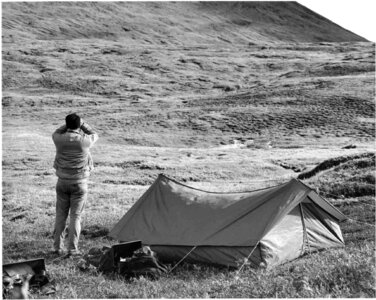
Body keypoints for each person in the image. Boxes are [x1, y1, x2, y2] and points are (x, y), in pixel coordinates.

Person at [52, 113, 98, 256]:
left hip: (62, 182)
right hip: (79, 183)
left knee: (60, 216)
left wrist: (69, 124)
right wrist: (82, 124)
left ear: (67, 125)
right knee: (75, 217)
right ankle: (72, 249)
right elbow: (94, 133)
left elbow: (57, 131)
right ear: (79, 126)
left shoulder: (58, 139)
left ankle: (57, 248)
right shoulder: (84, 141)